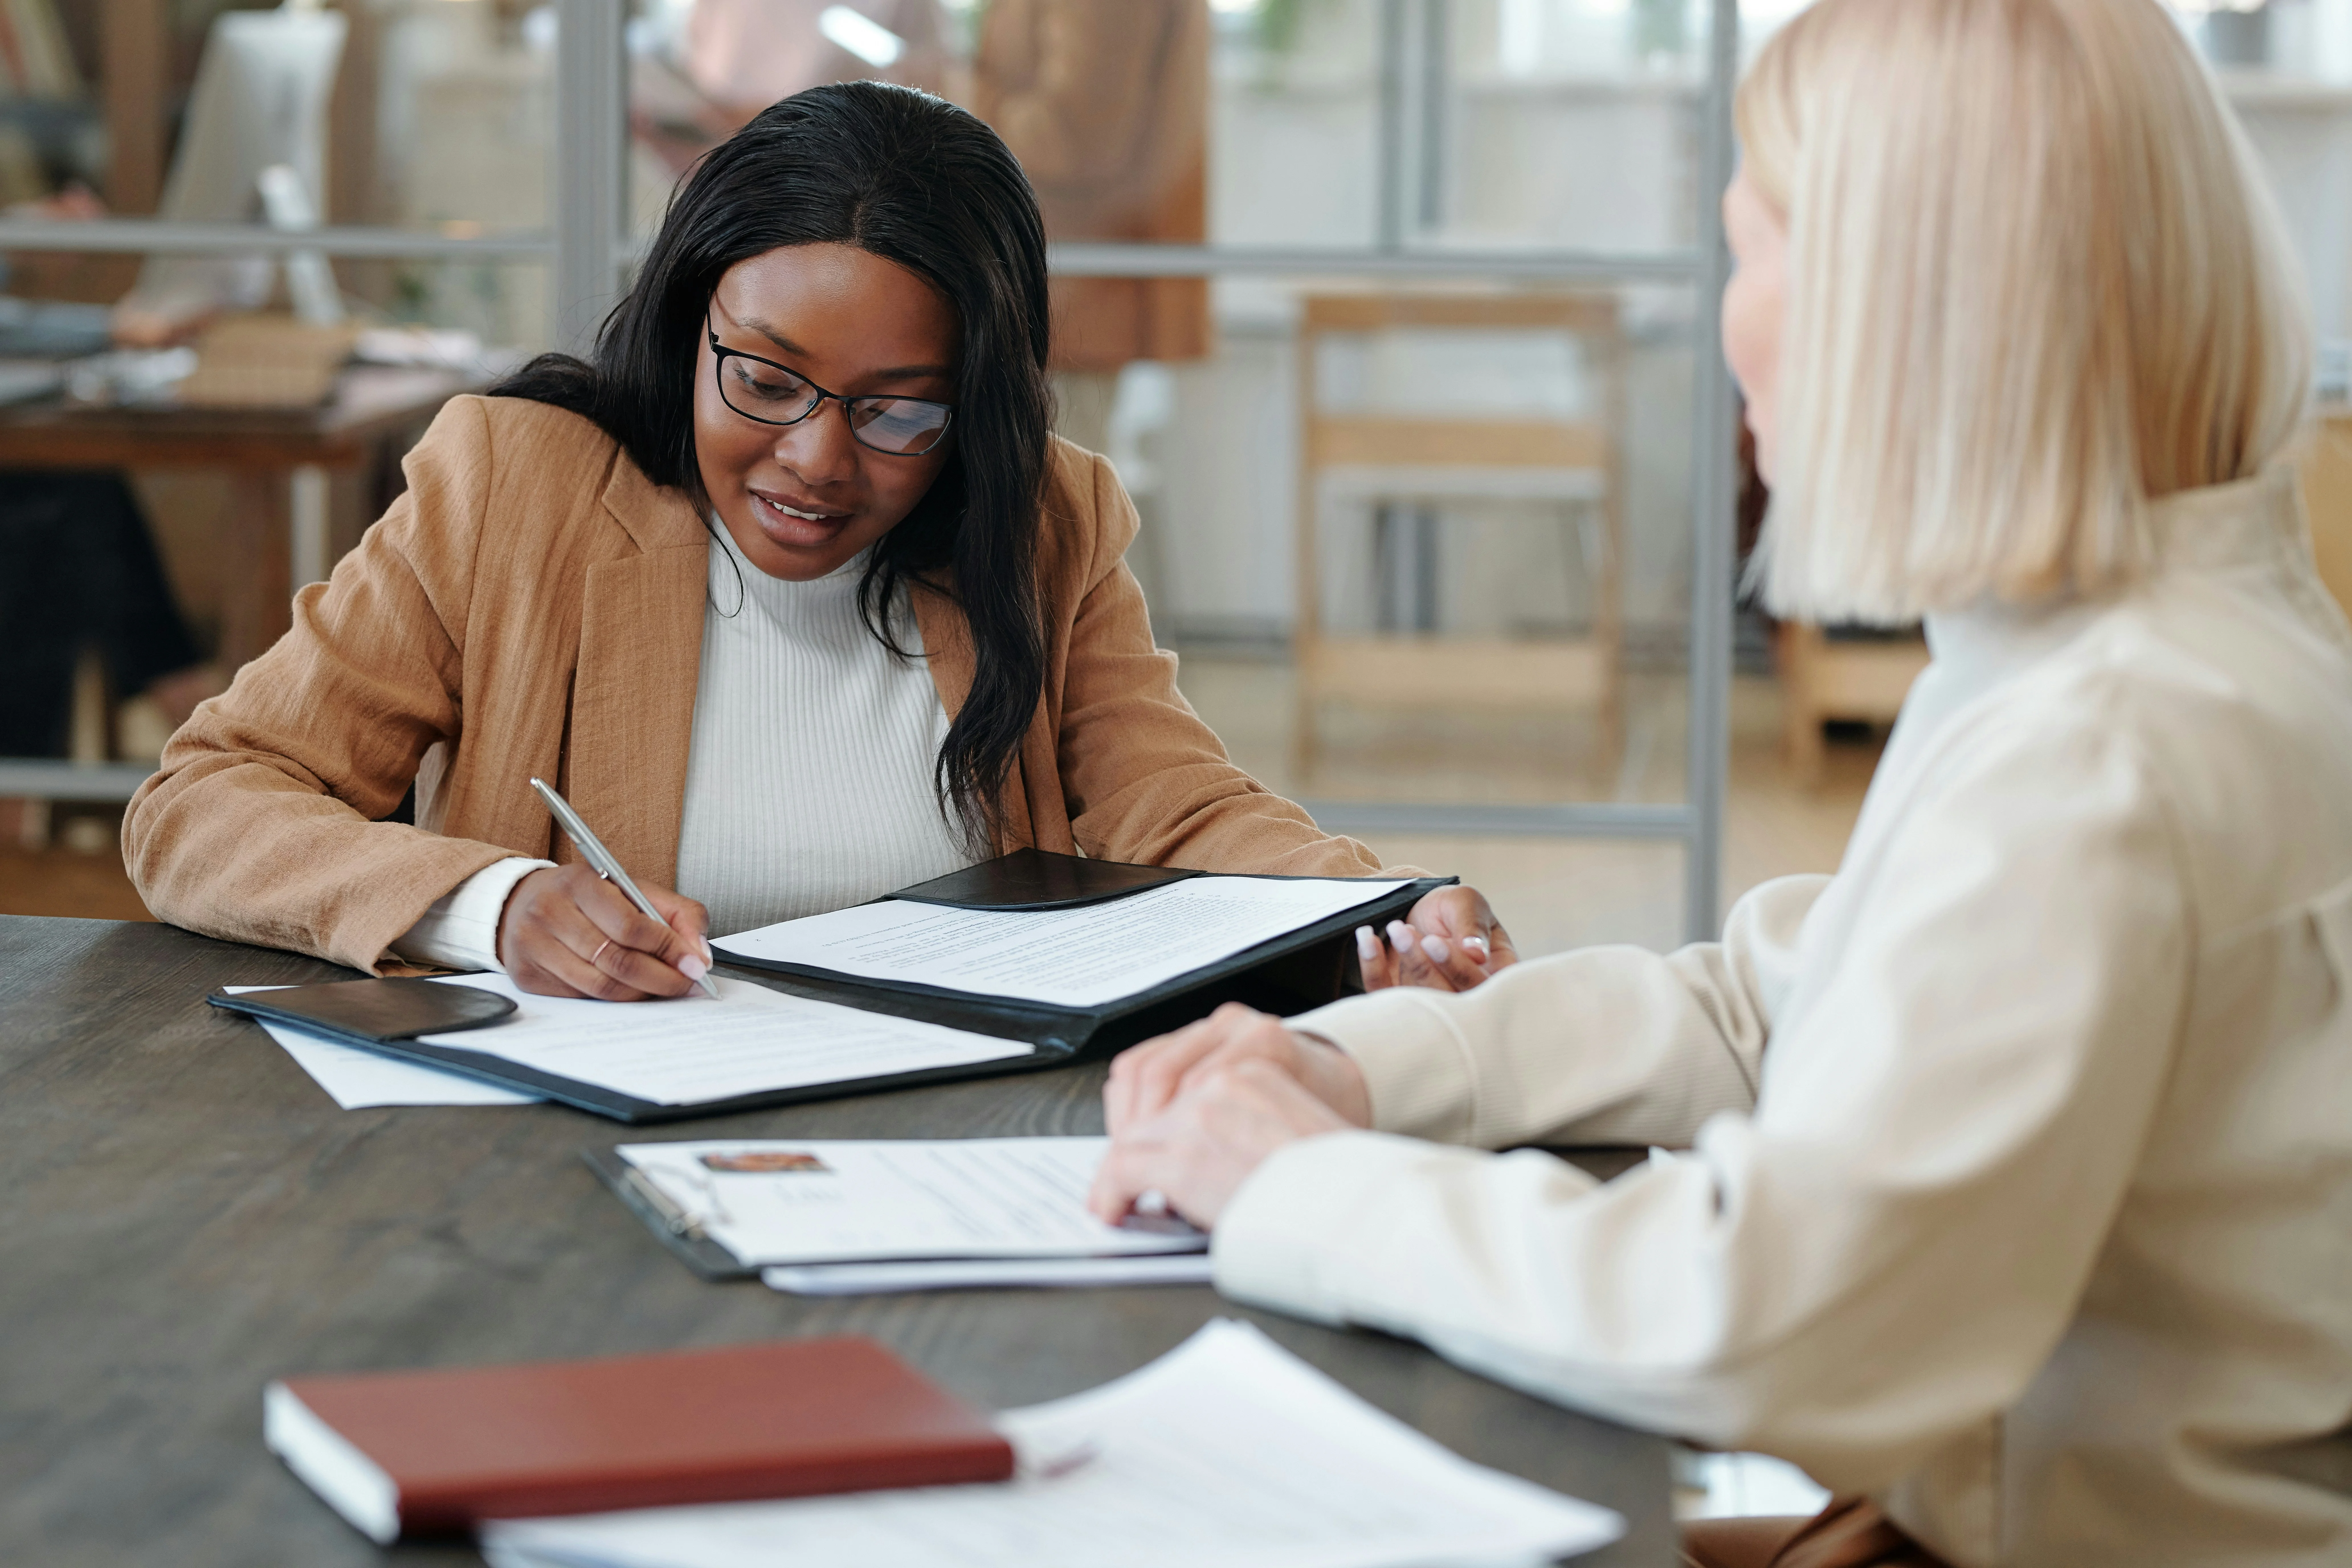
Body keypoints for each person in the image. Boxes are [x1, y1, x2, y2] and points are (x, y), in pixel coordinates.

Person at [1087, 0, 2352, 1563]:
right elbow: (1784, 1005)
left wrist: (1301, 1186)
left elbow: (1774, 1321)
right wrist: (1369, 1070)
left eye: (1754, 253)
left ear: (1905, 307)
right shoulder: (2134, 654)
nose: (1734, 317)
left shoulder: (2101, 753)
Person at [123, 82, 1508, 1000]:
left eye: (902, 412)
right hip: (563, 1152)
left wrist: (1388, 905)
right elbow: (203, 806)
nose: (816, 461)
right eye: (766, 380)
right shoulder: (518, 482)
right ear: (692, 329)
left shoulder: (1043, 523)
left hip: (953, 1128)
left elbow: (1178, 809)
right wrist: (487, 903)